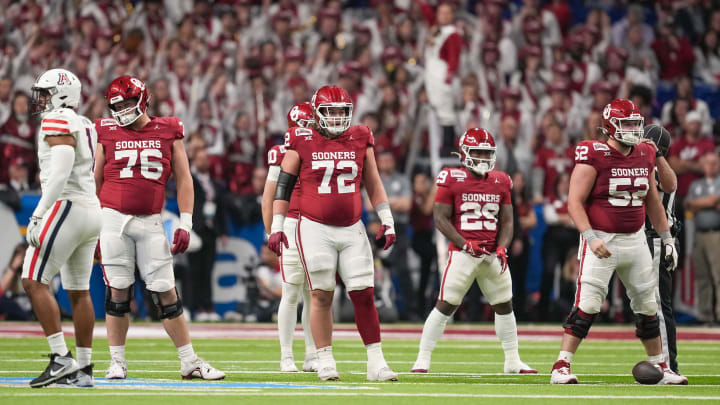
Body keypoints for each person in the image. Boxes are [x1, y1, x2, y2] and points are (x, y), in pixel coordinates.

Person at [95, 75, 224, 381]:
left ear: (143, 100)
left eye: (128, 102)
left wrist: (186, 221)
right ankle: (117, 362)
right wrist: (92, 227)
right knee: (118, 292)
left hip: (152, 219)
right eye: (118, 104)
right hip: (112, 219)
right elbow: (95, 180)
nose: (123, 109)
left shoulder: (169, 129)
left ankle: (189, 361)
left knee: (167, 292)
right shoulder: (105, 131)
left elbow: (184, 179)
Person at [550, 99, 687, 385]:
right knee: (588, 302)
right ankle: (561, 366)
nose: (634, 129)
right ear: (610, 126)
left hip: (635, 239)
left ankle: (660, 366)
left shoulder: (645, 153)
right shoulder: (594, 153)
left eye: (636, 123)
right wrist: (589, 236)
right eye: (627, 124)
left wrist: (667, 238)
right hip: (602, 237)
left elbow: (653, 200)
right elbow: (574, 202)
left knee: (647, 304)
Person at [268, 85, 398, 382]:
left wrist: (387, 218)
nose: (338, 117)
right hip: (313, 227)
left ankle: (376, 362)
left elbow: (374, 182)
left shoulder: (360, 136)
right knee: (321, 294)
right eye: (331, 111)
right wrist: (276, 226)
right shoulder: (301, 139)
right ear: (316, 113)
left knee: (364, 294)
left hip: (353, 228)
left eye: (342, 111)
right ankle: (324, 359)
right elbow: (283, 186)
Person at [411, 128, 536, 375]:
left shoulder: (501, 180)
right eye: (477, 152)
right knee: (445, 305)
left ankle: (512, 361)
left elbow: (508, 221)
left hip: (491, 254)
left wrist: (502, 246)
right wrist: (465, 243)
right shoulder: (451, 178)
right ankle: (422, 358)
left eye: (486, 152)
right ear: (464, 153)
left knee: (504, 306)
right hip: (463, 254)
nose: (482, 157)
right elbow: (440, 218)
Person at [21, 68, 101, 387]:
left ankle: (60, 358)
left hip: (66, 206)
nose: (40, 99)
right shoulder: (86, 123)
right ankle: (83, 369)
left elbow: (61, 170)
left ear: (60, 93)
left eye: (45, 92)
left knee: (32, 280)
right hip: (90, 209)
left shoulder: (58, 119)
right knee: (78, 291)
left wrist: (39, 213)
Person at [261, 101, 317, 373]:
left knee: (314, 293)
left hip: (316, 225)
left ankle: (311, 354)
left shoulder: (323, 150)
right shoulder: (280, 153)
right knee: (291, 291)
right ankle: (286, 356)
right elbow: (269, 196)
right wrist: (272, 230)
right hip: (292, 223)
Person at [643, 124, 682, 374]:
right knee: (646, 306)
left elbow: (670, 185)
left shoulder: (657, 168)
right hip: (639, 239)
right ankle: (659, 359)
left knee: (658, 305)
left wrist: (655, 155)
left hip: (657, 238)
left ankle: (668, 365)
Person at [685, 151, 720, 325]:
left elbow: (716, 202)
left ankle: (719, 315)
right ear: (703, 165)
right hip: (699, 233)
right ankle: (705, 315)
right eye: (708, 163)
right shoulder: (696, 184)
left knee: (718, 275)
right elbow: (688, 206)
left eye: (714, 163)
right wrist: (710, 202)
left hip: (717, 233)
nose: (711, 166)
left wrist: (699, 203)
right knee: (702, 276)